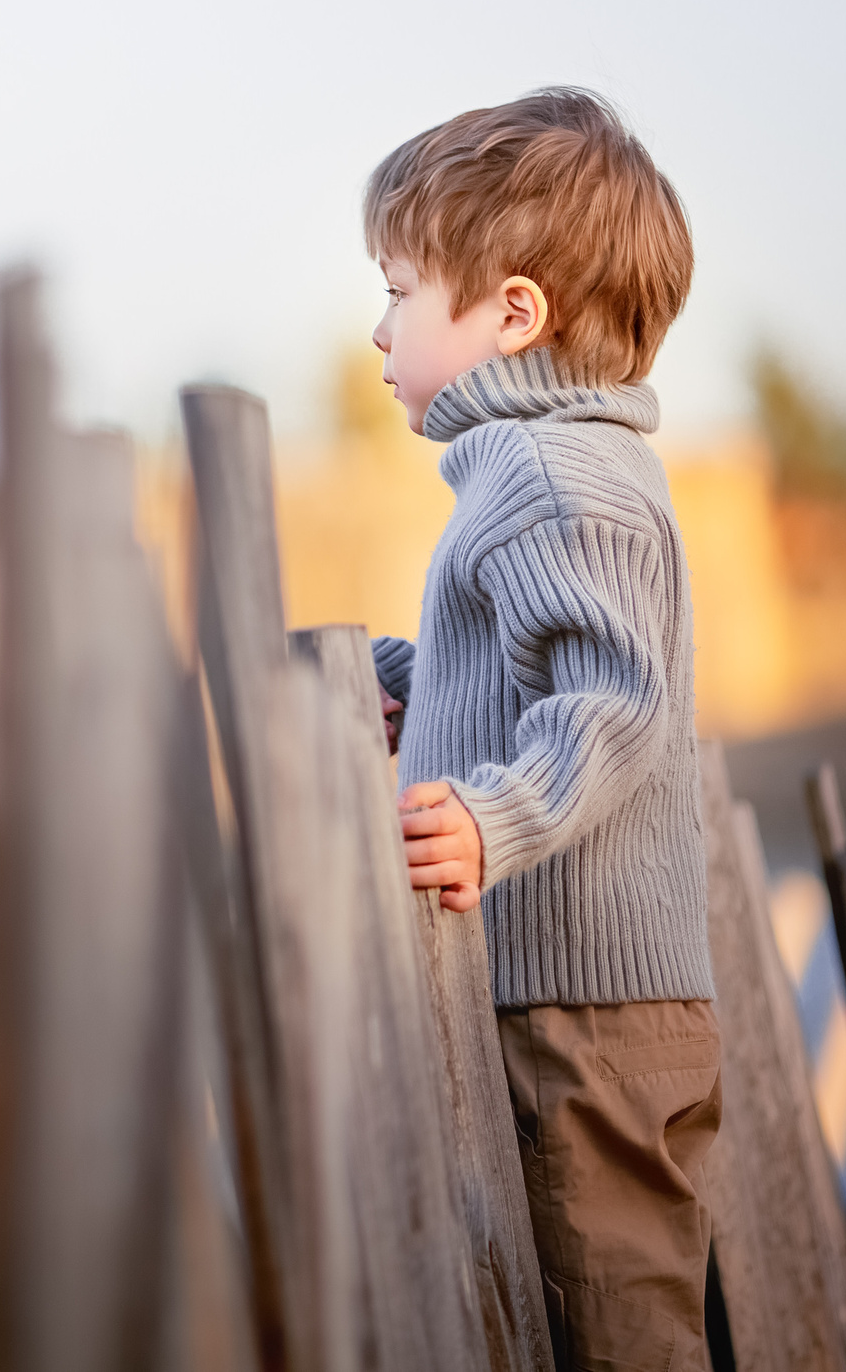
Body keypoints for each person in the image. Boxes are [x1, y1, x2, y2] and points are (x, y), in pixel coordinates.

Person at [364, 88, 720, 1371]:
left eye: (399, 291)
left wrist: (488, 815)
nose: (377, 327)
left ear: (513, 312)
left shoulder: (548, 470)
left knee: (615, 1328)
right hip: (584, 1002)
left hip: (584, 1013)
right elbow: (521, 666)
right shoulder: (555, 470)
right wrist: (397, 679)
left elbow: (614, 708)